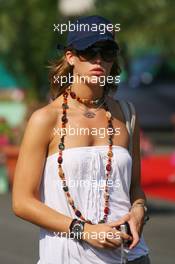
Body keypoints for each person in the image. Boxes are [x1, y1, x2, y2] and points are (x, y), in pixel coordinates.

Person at [12, 15, 151, 264]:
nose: (98, 59)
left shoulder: (127, 114)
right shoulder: (45, 119)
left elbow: (135, 188)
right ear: (71, 56)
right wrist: (84, 230)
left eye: (107, 51)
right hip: (68, 258)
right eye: (89, 50)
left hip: (131, 257)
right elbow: (22, 202)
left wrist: (139, 211)